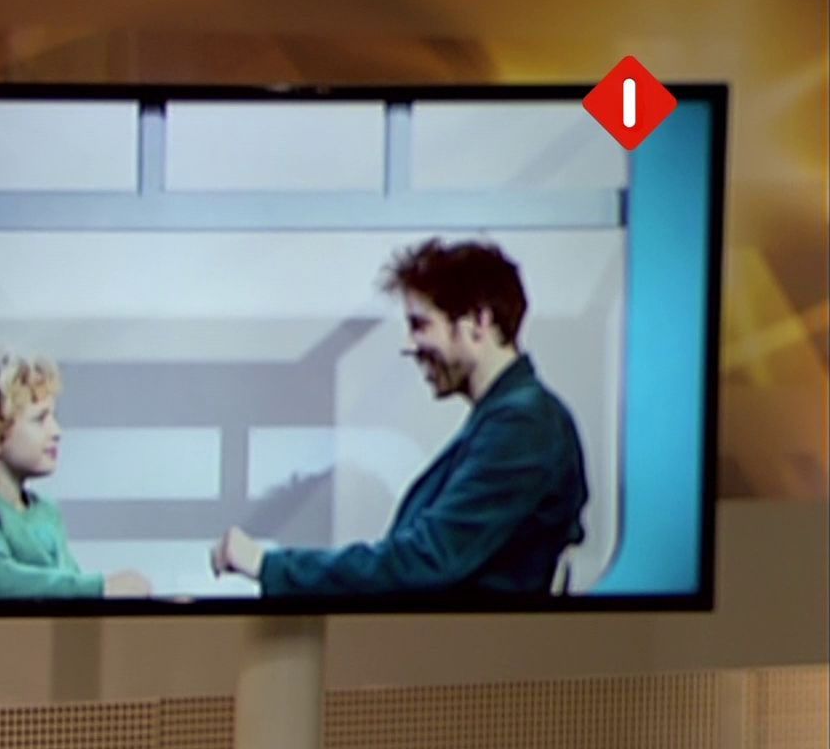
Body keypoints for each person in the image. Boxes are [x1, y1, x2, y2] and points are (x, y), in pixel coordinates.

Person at [211, 238, 588, 597]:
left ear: (477, 321)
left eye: (420, 324)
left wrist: (269, 566)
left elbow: (428, 560)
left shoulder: (524, 426)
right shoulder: (508, 421)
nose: (410, 346)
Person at [0, 348, 150, 599]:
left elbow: (71, 590)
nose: (56, 431)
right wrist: (101, 588)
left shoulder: (47, 511)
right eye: (40, 419)